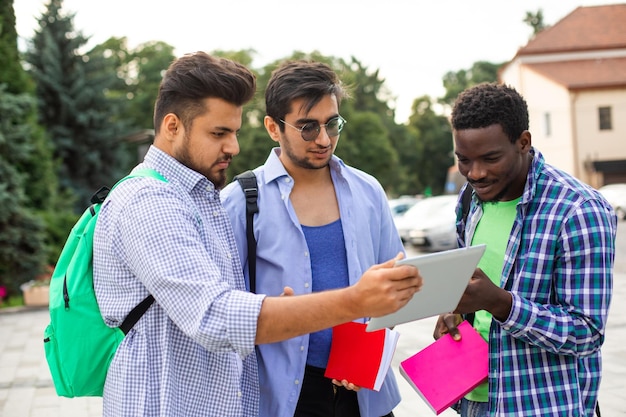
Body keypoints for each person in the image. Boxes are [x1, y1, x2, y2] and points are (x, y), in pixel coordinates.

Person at [92, 52, 423, 417]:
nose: (234, 147)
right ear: (172, 126)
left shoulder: (196, 198)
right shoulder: (151, 203)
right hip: (169, 402)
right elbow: (216, 315)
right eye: (219, 133)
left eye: (233, 132)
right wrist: (353, 301)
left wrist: (343, 334)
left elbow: (229, 297)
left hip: (352, 393)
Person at [221, 60, 403, 417]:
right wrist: (275, 310)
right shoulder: (239, 201)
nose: (323, 139)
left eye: (332, 124)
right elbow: (221, 310)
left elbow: (394, 289)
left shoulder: (368, 191)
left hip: (364, 391)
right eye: (307, 128)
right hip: (283, 396)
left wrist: (367, 356)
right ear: (273, 128)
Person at [434, 82, 617, 417]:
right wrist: (457, 314)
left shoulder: (579, 210)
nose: (475, 173)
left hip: (541, 406)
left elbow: (586, 333)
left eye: (490, 158)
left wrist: (500, 303)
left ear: (523, 142)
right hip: (472, 399)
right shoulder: (470, 200)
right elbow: (474, 294)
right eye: (463, 160)